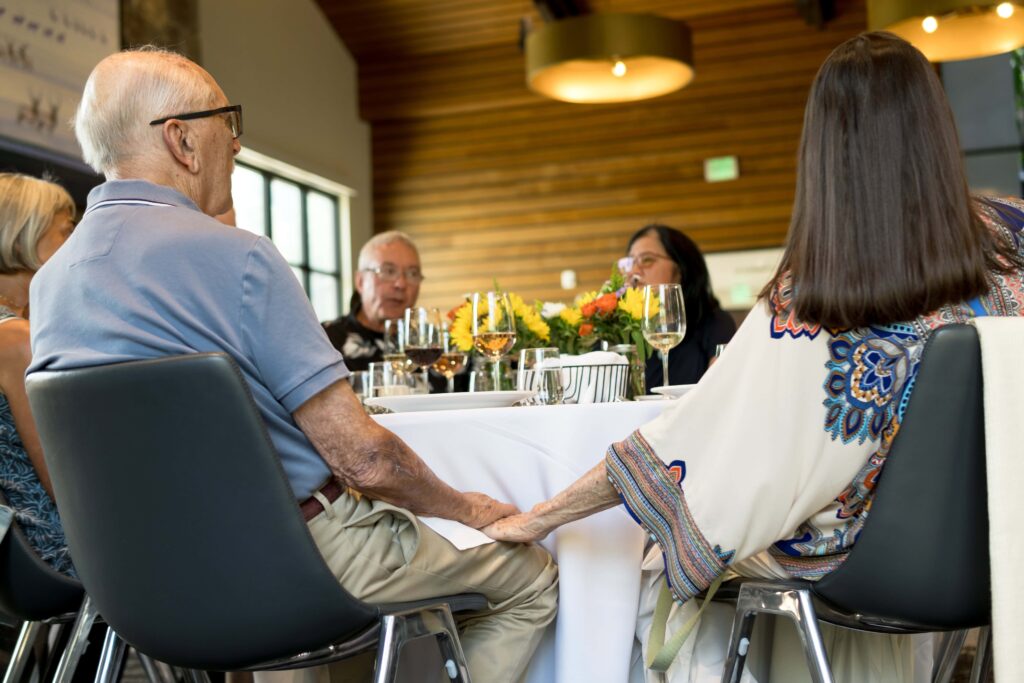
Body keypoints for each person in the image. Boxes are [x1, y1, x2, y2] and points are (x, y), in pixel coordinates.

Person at [484, 31, 1024, 682]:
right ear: (937, 126)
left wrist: (538, 515)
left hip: (867, 563)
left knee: (664, 561)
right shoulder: (1010, 244)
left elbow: (685, 447)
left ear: (825, 149)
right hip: (997, 549)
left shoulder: (817, 295)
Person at [27, 47, 556, 681]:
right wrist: (467, 509)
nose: (239, 147)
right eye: (230, 125)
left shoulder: (49, 284)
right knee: (530, 578)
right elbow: (363, 459)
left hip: (142, 583)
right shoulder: (241, 257)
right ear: (183, 141)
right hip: (295, 564)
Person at [0, 173, 75, 575]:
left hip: (16, 549)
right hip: (52, 547)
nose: (74, 244)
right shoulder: (18, 341)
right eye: (65, 231)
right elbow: (64, 483)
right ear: (23, 236)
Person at [619, 225, 736, 388]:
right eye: (631, 263)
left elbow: (721, 389)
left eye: (647, 260)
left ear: (680, 269)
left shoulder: (715, 323)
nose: (634, 272)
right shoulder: (623, 331)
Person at [323, 230, 420, 369]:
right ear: (360, 281)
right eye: (388, 271)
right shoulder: (325, 342)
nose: (401, 284)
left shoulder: (435, 347)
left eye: (412, 273)